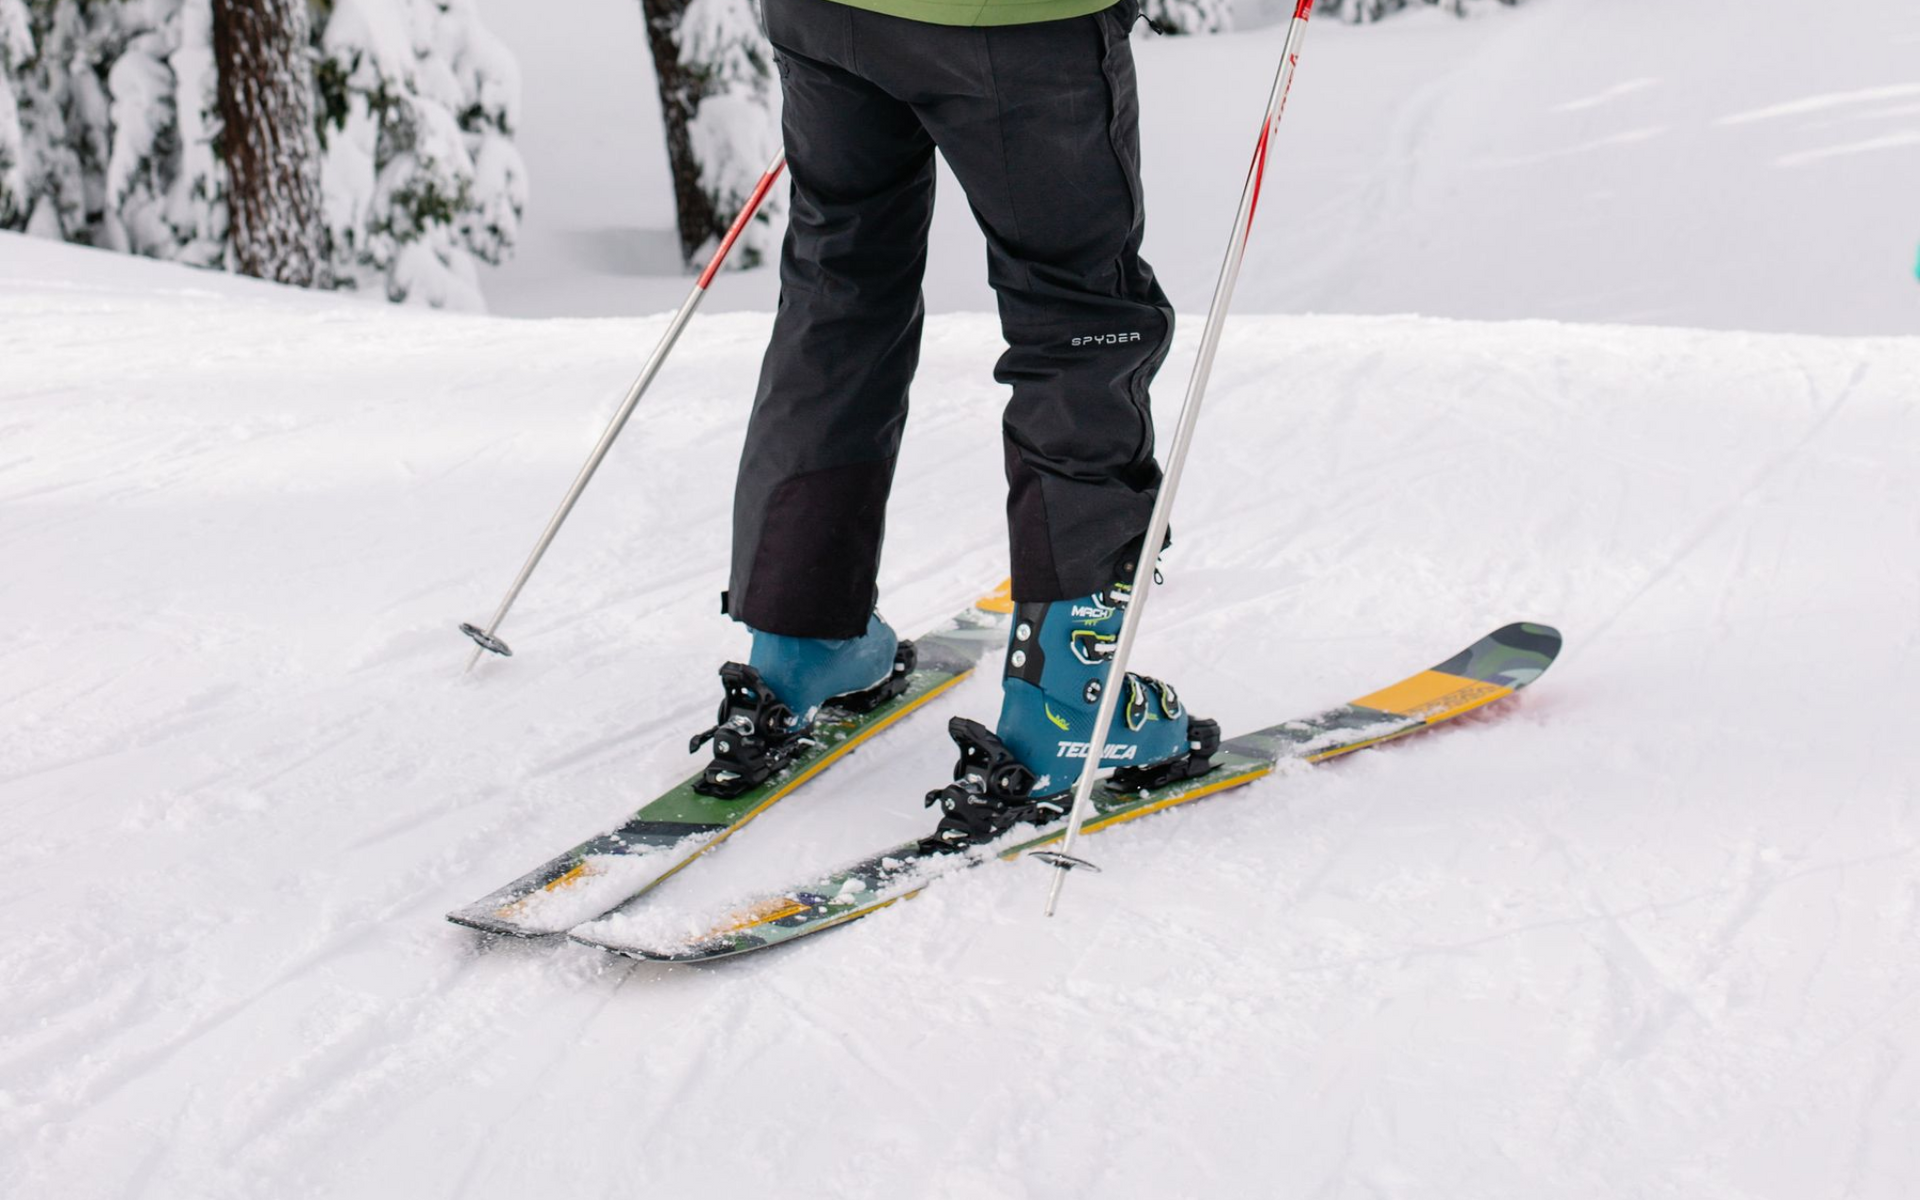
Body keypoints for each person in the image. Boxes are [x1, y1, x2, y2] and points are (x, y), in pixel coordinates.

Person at [694, 0, 1216, 848]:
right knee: (1078, 313)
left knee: (840, 287)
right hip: (1013, 24)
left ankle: (802, 636)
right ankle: (1066, 697)